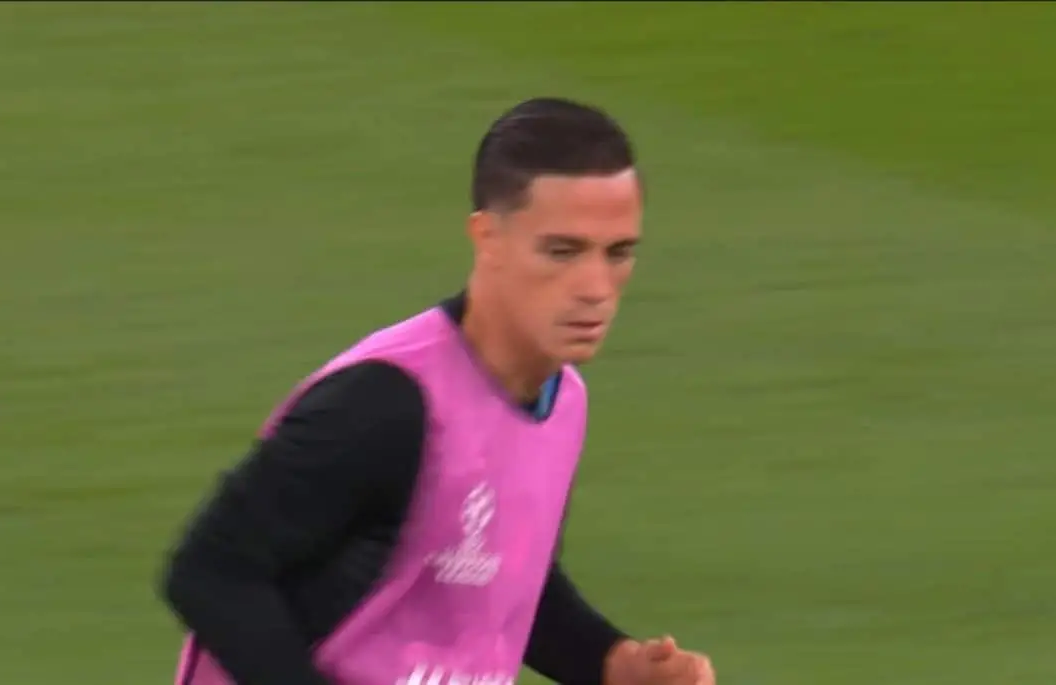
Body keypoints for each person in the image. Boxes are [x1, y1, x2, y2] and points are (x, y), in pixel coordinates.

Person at [159, 96, 716, 685]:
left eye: (618, 253)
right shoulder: (386, 404)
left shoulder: (563, 402)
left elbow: (499, 587)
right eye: (562, 251)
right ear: (487, 237)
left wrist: (614, 663)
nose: (596, 287)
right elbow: (211, 571)